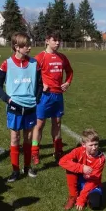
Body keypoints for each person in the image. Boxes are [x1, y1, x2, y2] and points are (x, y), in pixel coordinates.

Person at [0, 33, 42, 183]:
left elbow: (40, 84)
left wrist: (37, 98)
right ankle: (15, 170)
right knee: (15, 138)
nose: (29, 47)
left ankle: (27, 167)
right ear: (16, 47)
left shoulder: (35, 63)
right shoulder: (6, 64)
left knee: (28, 138)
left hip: (30, 107)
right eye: (26, 45)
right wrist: (8, 99)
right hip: (14, 108)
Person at [31, 31, 74, 164]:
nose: (57, 43)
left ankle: (58, 150)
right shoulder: (40, 57)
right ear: (47, 41)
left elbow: (70, 71)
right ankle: (35, 152)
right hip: (44, 96)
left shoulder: (62, 57)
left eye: (58, 40)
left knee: (57, 123)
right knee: (39, 124)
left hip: (58, 96)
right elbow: (31, 75)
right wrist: (40, 84)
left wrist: (67, 82)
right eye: (54, 40)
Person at [58, 128, 106, 211]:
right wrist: (82, 168)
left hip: (92, 183)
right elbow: (62, 161)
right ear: (83, 144)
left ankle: (82, 195)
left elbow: (93, 180)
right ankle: (73, 196)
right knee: (70, 167)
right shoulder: (78, 151)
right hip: (79, 179)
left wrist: (82, 199)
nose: (94, 148)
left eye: (96, 144)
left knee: (95, 204)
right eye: (91, 145)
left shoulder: (101, 159)